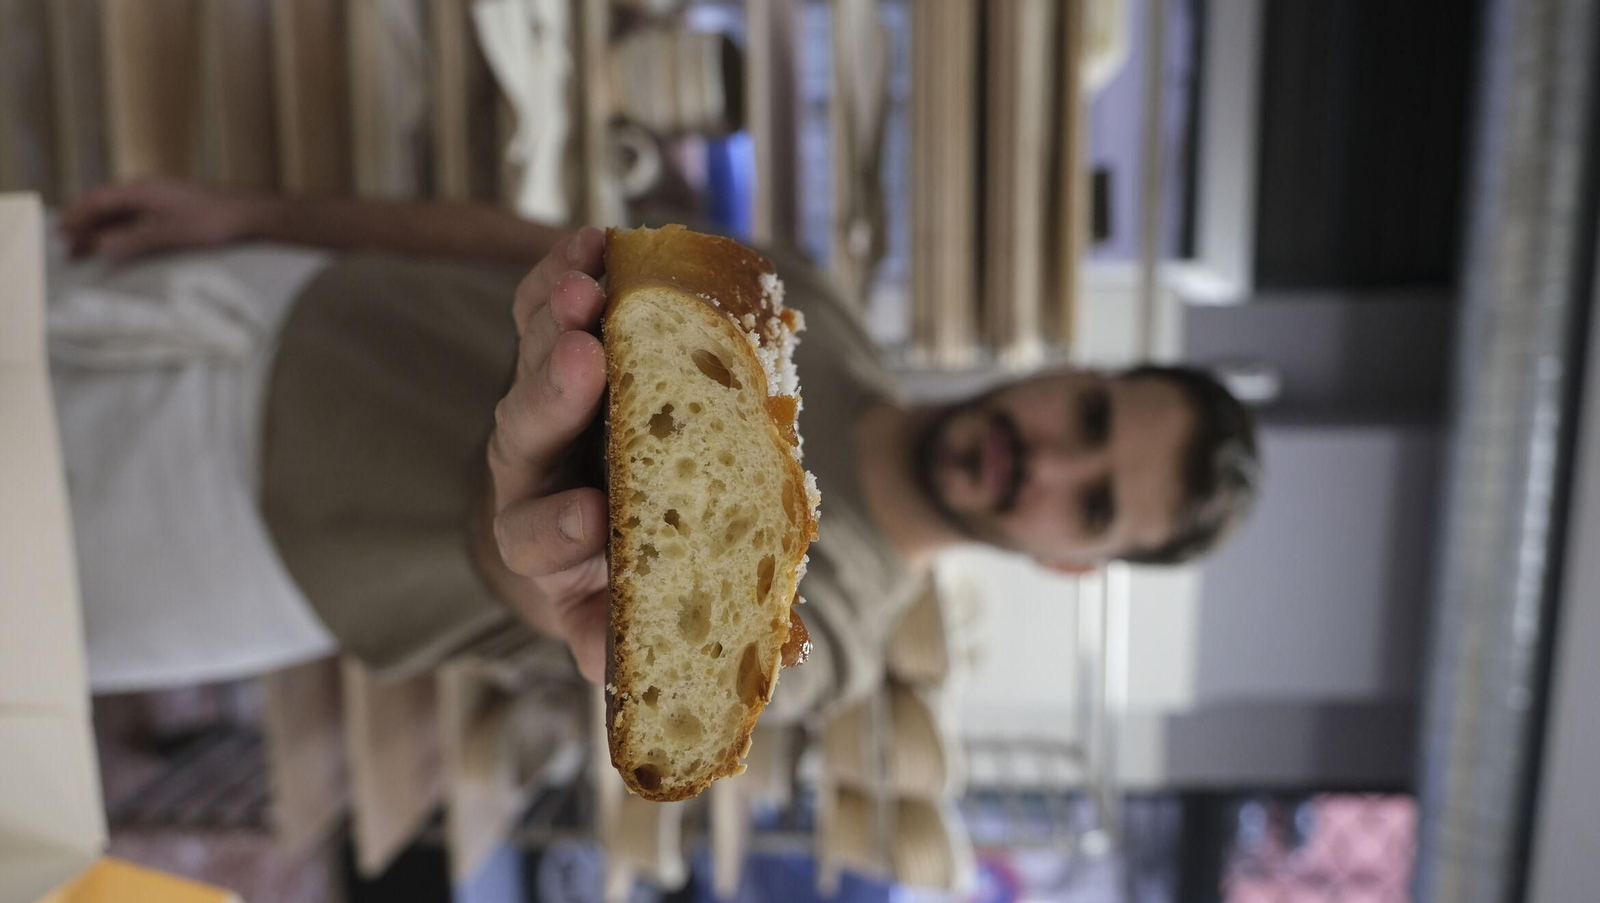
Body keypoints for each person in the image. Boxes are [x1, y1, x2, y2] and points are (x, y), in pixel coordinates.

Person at [54, 179, 1258, 716]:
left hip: (236, 533)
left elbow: (542, 587)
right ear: (1072, 368)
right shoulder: (809, 309)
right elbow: (523, 240)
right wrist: (254, 215)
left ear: (1069, 564)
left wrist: (541, 515)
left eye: (1089, 506)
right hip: (272, 299)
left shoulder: (818, 629)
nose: (1045, 464)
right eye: (1089, 419)